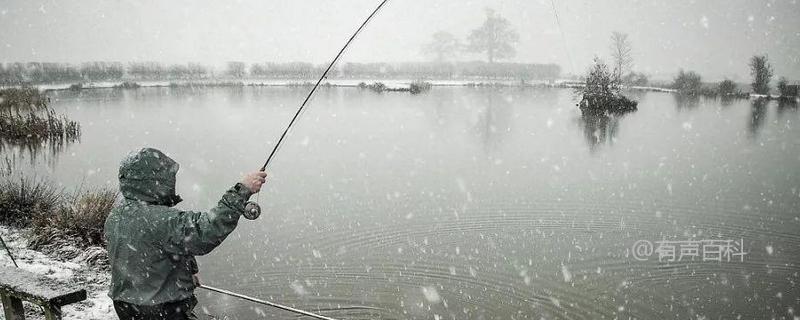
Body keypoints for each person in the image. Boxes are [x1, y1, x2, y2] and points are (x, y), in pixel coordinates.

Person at [104, 148, 267, 319]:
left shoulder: (117, 214)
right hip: (161, 309)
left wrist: (188, 271)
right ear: (154, 181)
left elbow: (152, 250)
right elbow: (205, 231)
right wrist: (242, 190)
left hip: (126, 305)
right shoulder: (161, 219)